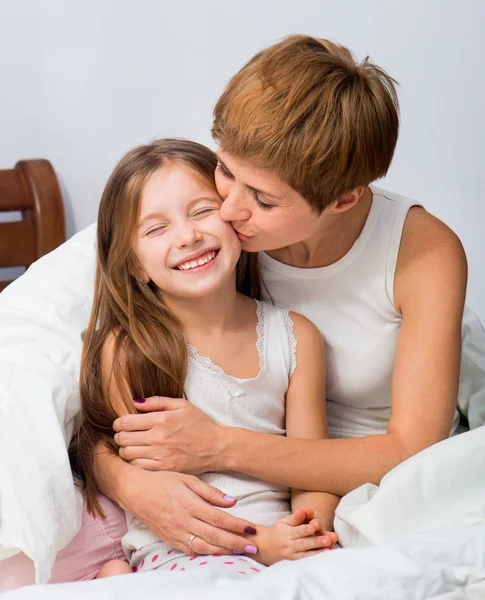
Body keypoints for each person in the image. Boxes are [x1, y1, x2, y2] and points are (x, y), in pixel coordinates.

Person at [100, 34, 467, 551]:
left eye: (264, 201)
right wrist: (130, 483)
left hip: (371, 486)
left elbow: (413, 450)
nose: (226, 210)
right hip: (246, 489)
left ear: (342, 200)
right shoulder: (203, 224)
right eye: (226, 170)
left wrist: (221, 446)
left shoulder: (423, 252)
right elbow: (91, 379)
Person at [75, 138, 338, 578]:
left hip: (279, 545)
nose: (188, 235)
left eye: (201, 211)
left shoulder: (295, 338)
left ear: (236, 219)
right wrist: (260, 544)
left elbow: (311, 466)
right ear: (135, 265)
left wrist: (308, 531)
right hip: (183, 551)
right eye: (156, 229)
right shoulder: (131, 350)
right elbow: (161, 498)